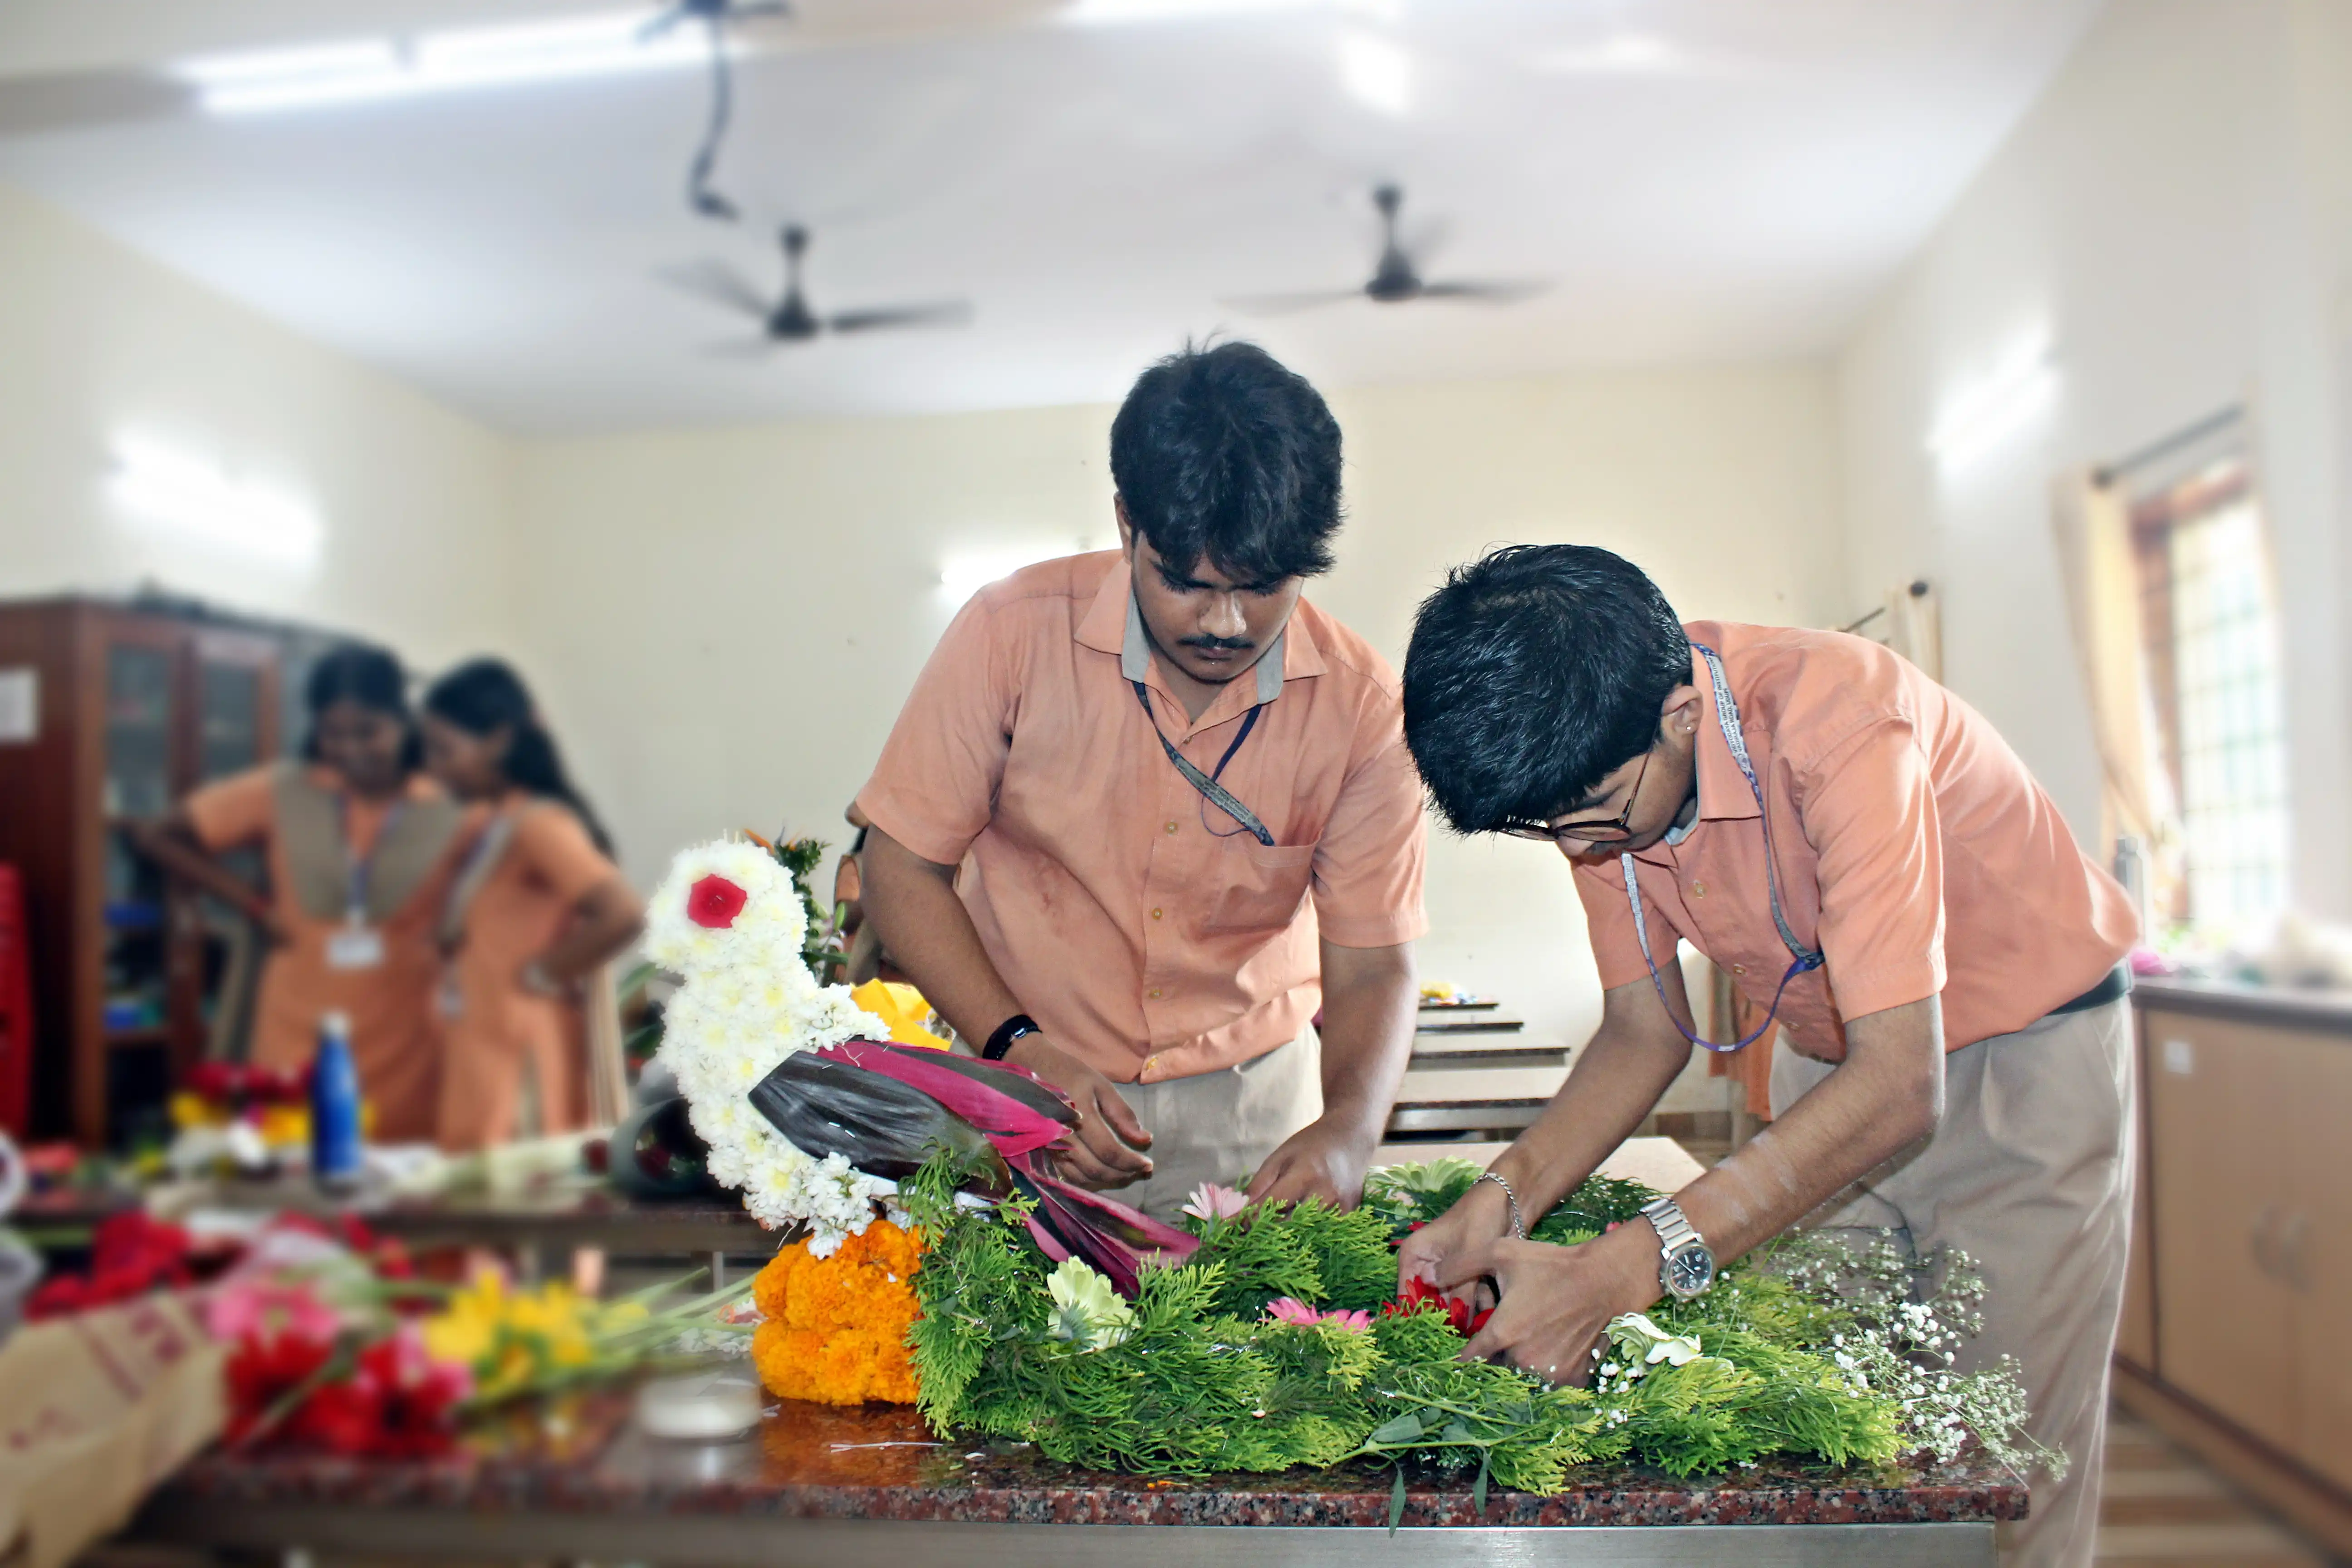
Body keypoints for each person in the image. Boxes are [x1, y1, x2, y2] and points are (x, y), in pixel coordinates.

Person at [1396, 544, 2137, 1568]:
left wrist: (1619, 1272)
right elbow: (1642, 1028)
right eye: (1545, 826)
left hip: (2021, 1067)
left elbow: (1903, 1086)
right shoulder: (1603, 789)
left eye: (1593, 810)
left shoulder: (1841, 723)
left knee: (2000, 1469)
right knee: (1824, 1442)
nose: (1576, 849)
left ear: (1682, 716)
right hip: (1838, 1069)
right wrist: (1502, 1196)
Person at [855, 341, 1427, 1219]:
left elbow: (1373, 965)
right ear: (1127, 525)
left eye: (1262, 587)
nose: (1225, 624)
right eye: (1186, 584)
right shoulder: (1008, 635)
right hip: (1021, 1079)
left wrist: (1348, 1129)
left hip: (1251, 1120)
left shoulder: (1362, 708)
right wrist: (1017, 1046)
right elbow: (901, 868)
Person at [134, 645, 470, 1142]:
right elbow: (158, 834)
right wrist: (250, 903)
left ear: (404, 724)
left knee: (405, 1193)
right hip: (296, 1031)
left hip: (411, 1037)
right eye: (333, 733)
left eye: (368, 731)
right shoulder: (283, 791)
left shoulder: (447, 803)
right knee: (293, 1180)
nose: (350, 748)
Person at [421, 659, 645, 1151]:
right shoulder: (496, 821)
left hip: (517, 1049)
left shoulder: (539, 824)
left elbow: (622, 913)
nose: (434, 768)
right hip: (479, 1043)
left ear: (498, 740)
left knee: (513, 1206)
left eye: (444, 750)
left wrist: (538, 977)